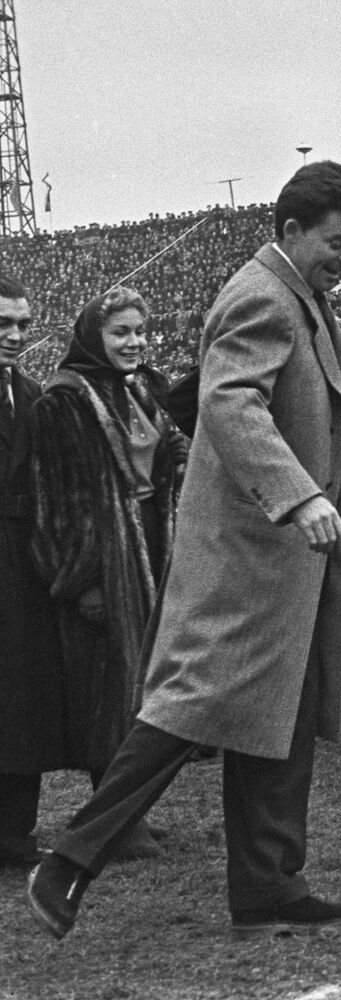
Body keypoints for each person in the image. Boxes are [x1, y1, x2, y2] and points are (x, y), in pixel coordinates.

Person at [28, 161, 341, 940]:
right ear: (290, 230)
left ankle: (267, 883)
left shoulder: (302, 297)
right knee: (187, 710)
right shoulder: (261, 295)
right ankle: (70, 860)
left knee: (278, 716)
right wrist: (300, 492)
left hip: (282, 552)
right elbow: (229, 402)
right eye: (338, 242)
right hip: (250, 552)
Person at [26, 286, 187, 862]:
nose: (135, 342)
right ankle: (112, 822)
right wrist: (81, 579)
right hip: (105, 560)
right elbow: (56, 502)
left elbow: (166, 458)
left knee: (145, 690)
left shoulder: (141, 390)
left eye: (141, 332)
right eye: (121, 333)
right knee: (108, 692)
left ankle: (131, 812)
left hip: (150, 546)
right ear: (94, 336)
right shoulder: (64, 401)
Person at [0, 275, 65, 870]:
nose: (16, 336)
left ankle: (15, 836)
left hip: (23, 573)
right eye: (3, 324)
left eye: (22, 323)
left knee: (22, 701)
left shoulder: (32, 391)